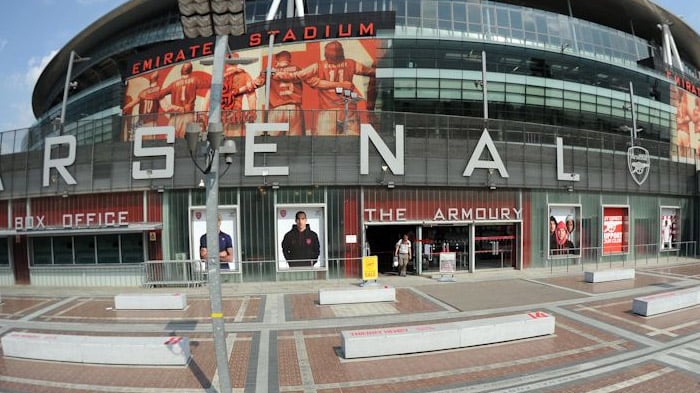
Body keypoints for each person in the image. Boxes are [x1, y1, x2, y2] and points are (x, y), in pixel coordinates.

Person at [272, 40, 376, 135]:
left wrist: (277, 74)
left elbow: (296, 75)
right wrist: (371, 103)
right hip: (349, 111)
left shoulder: (318, 66)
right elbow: (373, 73)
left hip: (327, 111)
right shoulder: (351, 63)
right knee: (352, 147)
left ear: (326, 54)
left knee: (324, 148)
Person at [253, 50, 304, 135]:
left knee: (272, 141)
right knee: (295, 142)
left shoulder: (269, 71)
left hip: (276, 108)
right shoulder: (297, 69)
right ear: (289, 60)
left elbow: (257, 84)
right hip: (294, 108)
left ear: (276, 60)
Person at [159, 62, 209, 138]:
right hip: (188, 115)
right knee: (186, 142)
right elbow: (208, 84)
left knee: (169, 142)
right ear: (191, 70)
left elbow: (160, 94)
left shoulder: (174, 84)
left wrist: (167, 107)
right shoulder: (194, 80)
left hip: (175, 116)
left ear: (181, 71)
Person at [221, 57, 257, 137]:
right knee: (235, 143)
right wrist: (252, 112)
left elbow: (209, 96)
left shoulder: (218, 77)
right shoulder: (244, 75)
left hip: (219, 116)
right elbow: (251, 95)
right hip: (235, 115)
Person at [122, 70, 162, 140]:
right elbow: (165, 106)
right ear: (158, 79)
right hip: (151, 122)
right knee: (149, 145)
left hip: (142, 123)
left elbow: (131, 104)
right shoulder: (159, 90)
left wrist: (124, 108)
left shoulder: (143, 92)